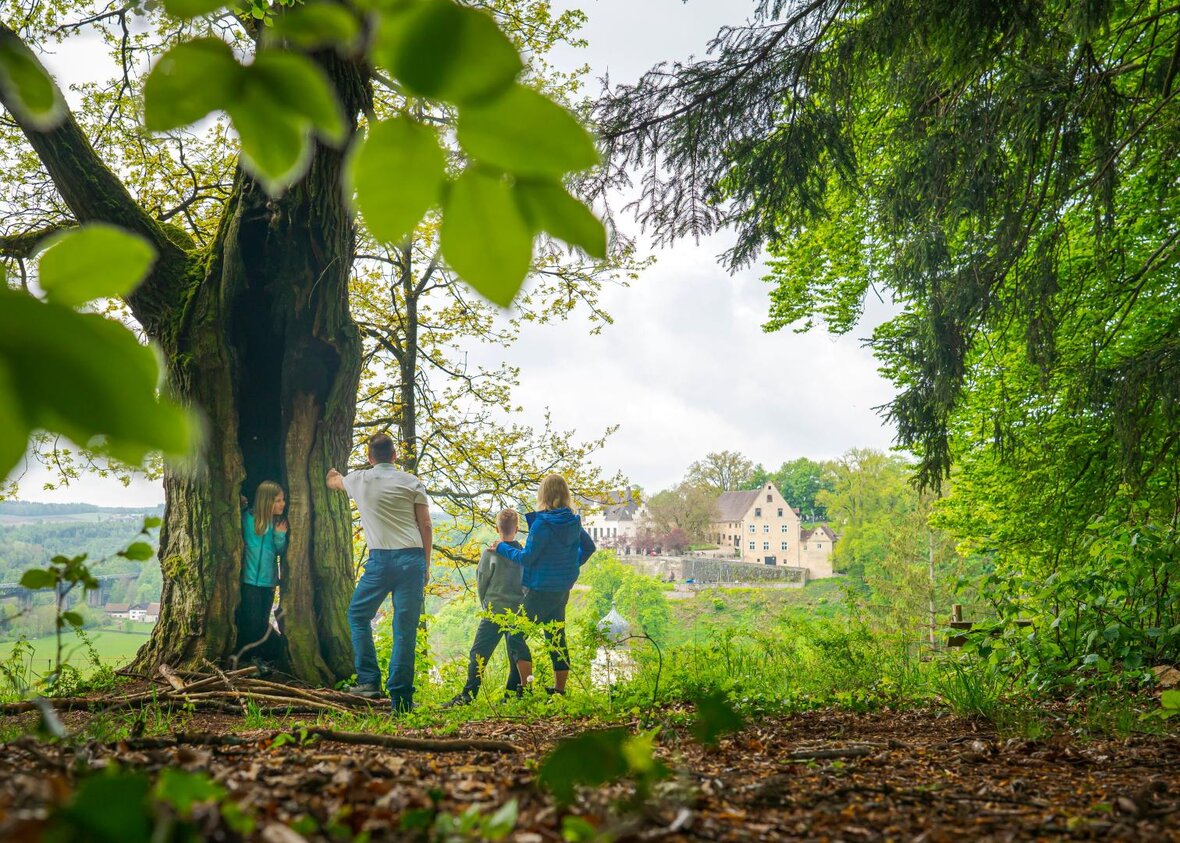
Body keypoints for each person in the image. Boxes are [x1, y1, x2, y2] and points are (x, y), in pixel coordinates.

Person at [327, 433, 431, 713]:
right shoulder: (412, 482)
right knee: (405, 629)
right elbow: (426, 525)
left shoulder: (360, 479)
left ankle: (369, 681)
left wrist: (333, 470)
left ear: (371, 458)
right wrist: (427, 564)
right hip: (412, 558)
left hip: (380, 560)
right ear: (395, 456)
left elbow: (332, 482)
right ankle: (401, 701)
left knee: (358, 615)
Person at [491, 474, 595, 695]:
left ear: (543, 495)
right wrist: (569, 565)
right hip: (561, 590)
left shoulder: (542, 524)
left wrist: (502, 547)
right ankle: (559, 691)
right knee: (556, 638)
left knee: (515, 634)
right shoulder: (573, 521)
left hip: (540, 590)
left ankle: (526, 687)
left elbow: (527, 558)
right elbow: (589, 548)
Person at [444, 509, 531, 708]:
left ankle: (468, 694)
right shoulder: (523, 555)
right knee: (515, 655)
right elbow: (527, 583)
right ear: (517, 529)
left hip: (494, 610)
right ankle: (512, 695)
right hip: (517, 612)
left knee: (479, 653)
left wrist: (485, 603)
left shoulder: (490, 553)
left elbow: (482, 580)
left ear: (496, 528)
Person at [237, 480, 288, 666]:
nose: (283, 504)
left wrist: (279, 535)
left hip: (268, 582)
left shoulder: (276, 524)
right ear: (267, 501)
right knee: (251, 621)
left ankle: (257, 657)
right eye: (278, 500)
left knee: (262, 621)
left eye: (283, 500)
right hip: (249, 580)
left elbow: (280, 550)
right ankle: (250, 658)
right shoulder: (247, 519)